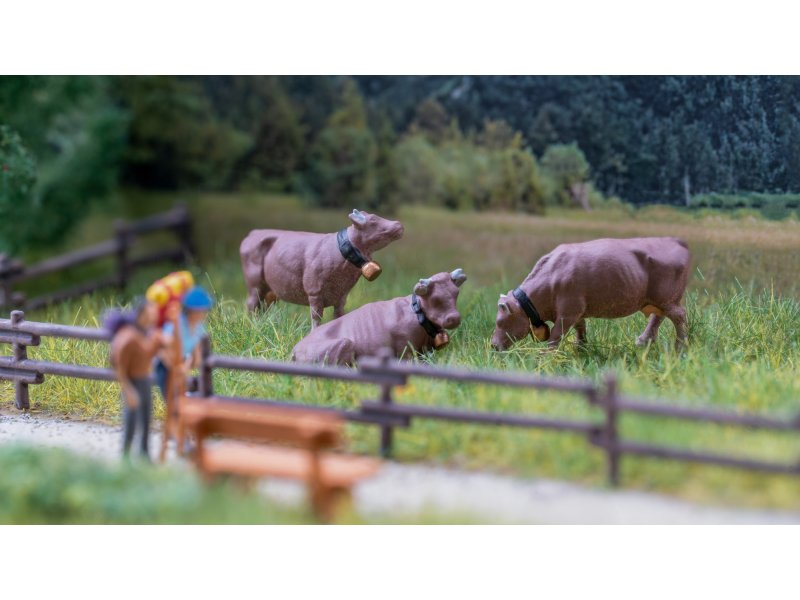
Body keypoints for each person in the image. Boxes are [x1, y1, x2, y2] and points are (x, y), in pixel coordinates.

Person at [107, 298, 166, 460]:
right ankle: (125, 455)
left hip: (144, 380)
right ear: (141, 315)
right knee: (131, 420)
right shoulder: (129, 337)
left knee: (147, 418)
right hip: (132, 382)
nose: (154, 317)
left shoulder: (147, 334)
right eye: (151, 313)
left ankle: (144, 453)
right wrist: (127, 390)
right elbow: (118, 366)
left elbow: (152, 353)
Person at [154, 285, 214, 402]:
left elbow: (195, 352)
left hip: (181, 363)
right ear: (192, 311)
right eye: (201, 310)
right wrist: (175, 368)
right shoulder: (176, 324)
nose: (204, 313)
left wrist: (187, 366)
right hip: (164, 364)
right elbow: (162, 350)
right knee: (172, 398)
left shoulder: (200, 327)